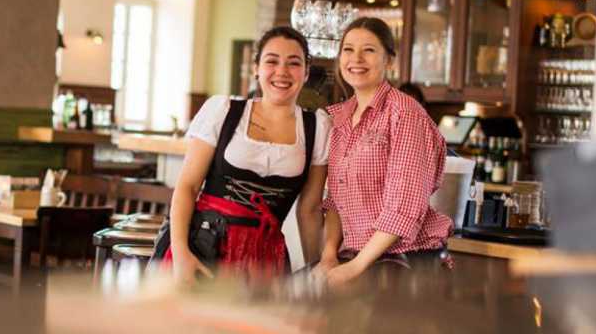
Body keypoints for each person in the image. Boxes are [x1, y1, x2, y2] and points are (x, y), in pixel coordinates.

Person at [153, 27, 331, 282]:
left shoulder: (318, 128)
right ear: (256, 68)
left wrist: (317, 272)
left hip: (264, 259)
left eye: (294, 63)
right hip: (205, 246)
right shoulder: (223, 111)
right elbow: (187, 187)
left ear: (306, 73)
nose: (282, 71)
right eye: (272, 61)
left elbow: (310, 210)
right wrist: (181, 253)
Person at [314, 17, 452, 287]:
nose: (356, 59)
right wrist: (329, 256)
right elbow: (336, 202)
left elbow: (404, 206)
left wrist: (355, 267)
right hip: (359, 261)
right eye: (348, 49)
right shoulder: (339, 118)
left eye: (368, 50)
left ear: (389, 60)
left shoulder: (405, 113)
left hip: (407, 261)